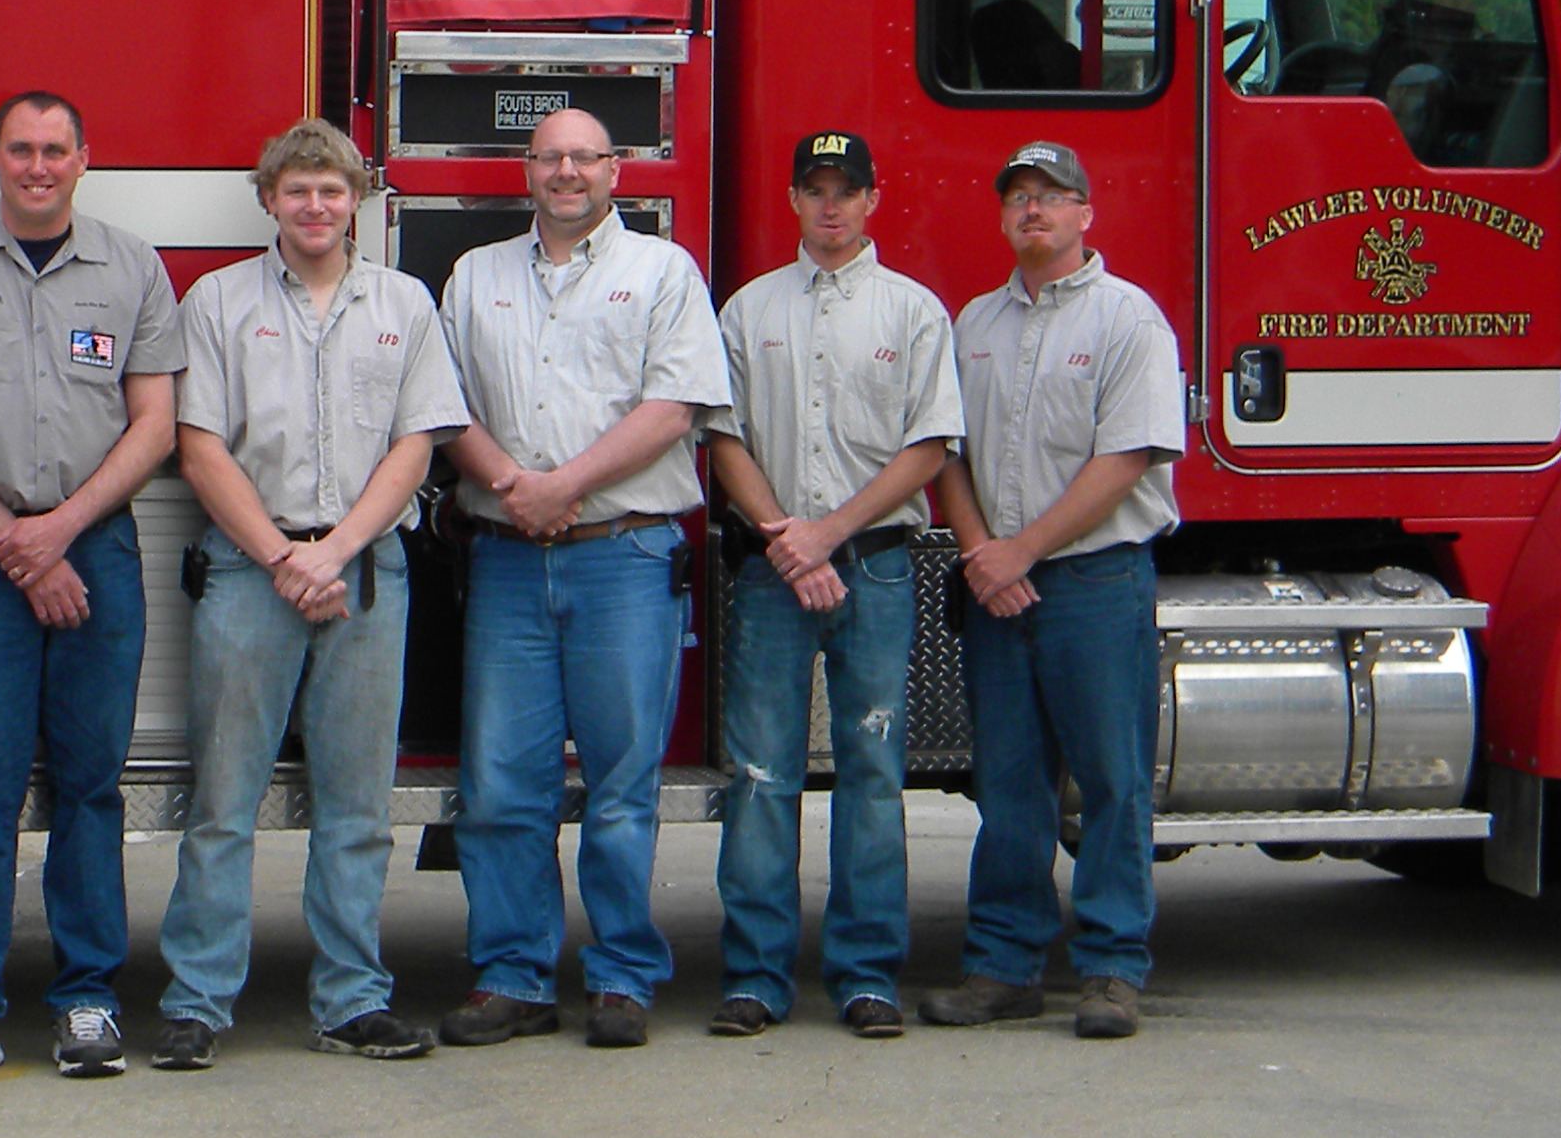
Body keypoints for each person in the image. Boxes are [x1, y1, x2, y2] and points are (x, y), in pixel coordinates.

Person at [154, 120, 467, 1069]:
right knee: (223, 802)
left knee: (357, 808)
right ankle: (198, 1001)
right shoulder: (217, 301)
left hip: (364, 571)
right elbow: (199, 445)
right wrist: (284, 557)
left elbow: (417, 444)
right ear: (268, 200)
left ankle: (352, 999)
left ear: (357, 199)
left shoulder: (404, 303)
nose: (316, 205)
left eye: (332, 189)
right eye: (297, 189)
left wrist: (333, 552)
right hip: (250, 572)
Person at [0, 90, 184, 1081]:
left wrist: (57, 534)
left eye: (56, 149)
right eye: (22, 149)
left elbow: (154, 426)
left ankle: (88, 998)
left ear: (84, 159)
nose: (39, 166)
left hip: (95, 550)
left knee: (92, 785)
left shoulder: (132, 267)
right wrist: (17, 541)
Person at [435, 107, 731, 1050]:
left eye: (585, 158)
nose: (567, 172)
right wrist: (513, 489)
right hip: (507, 559)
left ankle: (622, 977)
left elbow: (674, 406)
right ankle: (511, 978)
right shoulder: (475, 276)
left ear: (616, 170)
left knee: (621, 785)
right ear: (527, 170)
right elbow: (443, 405)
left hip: (624, 559)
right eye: (550, 157)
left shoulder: (664, 272)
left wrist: (560, 487)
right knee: (500, 786)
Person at [920, 141, 1188, 1041]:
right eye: (1019, 197)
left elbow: (1127, 458)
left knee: (1113, 780)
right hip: (998, 587)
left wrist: (1020, 553)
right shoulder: (975, 324)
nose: (1033, 209)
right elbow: (944, 450)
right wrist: (980, 554)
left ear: (1085, 214)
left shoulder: (1129, 320)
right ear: (1003, 216)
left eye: (1052, 195)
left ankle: (1111, 970)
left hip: (1095, 582)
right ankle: (1004, 966)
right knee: (1008, 785)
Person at [701, 130, 961, 1041]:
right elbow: (722, 436)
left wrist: (827, 536)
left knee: (872, 771)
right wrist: (788, 539)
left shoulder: (914, 312)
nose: (831, 205)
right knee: (761, 774)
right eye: (814, 189)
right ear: (793, 201)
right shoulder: (749, 310)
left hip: (877, 565)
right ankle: (755, 976)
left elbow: (929, 446)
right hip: (772, 571)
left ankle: (867, 975)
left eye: (846, 189)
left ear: (873, 200)